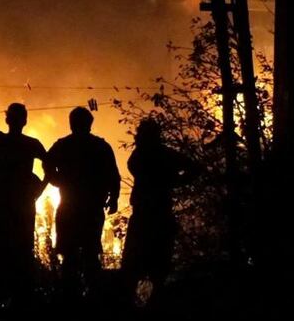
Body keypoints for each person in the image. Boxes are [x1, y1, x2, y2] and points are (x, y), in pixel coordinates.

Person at [0, 103, 46, 307]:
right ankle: (15, 299)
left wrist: (38, 189)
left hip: (4, 210)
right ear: (24, 120)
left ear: (8, 120)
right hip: (13, 209)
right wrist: (38, 188)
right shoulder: (22, 143)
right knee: (15, 253)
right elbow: (50, 167)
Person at [44, 107, 120, 301]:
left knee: (70, 255)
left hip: (70, 206)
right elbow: (114, 175)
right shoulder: (100, 146)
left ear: (72, 123)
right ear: (89, 123)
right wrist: (113, 199)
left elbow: (47, 163)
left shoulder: (63, 145)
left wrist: (56, 180)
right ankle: (92, 297)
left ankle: (71, 297)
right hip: (91, 207)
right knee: (89, 253)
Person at [121, 118, 196, 306]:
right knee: (159, 266)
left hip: (143, 216)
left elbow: (135, 169)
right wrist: (175, 182)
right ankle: (156, 305)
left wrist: (173, 181)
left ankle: (131, 307)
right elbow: (194, 168)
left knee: (133, 265)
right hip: (161, 215)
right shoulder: (165, 155)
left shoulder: (139, 156)